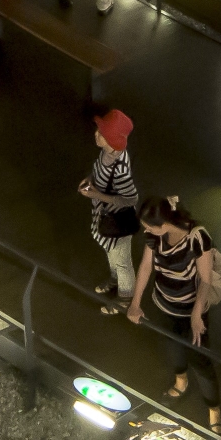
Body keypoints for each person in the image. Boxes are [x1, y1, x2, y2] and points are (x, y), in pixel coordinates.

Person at [127, 197, 221, 430]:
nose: (145, 230)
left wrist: (197, 313)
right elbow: (146, 266)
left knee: (200, 359)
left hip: (191, 309)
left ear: (165, 223)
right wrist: (135, 303)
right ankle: (181, 381)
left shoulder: (197, 237)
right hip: (164, 304)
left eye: (149, 226)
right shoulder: (154, 237)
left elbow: (206, 280)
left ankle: (214, 410)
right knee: (172, 347)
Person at [80, 108, 141, 308]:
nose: (96, 135)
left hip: (117, 223)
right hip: (104, 217)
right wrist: (90, 180)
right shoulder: (106, 153)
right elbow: (98, 172)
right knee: (111, 253)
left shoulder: (121, 169)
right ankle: (115, 280)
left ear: (112, 140)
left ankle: (125, 299)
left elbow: (131, 199)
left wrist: (96, 194)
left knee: (122, 261)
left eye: (102, 134)